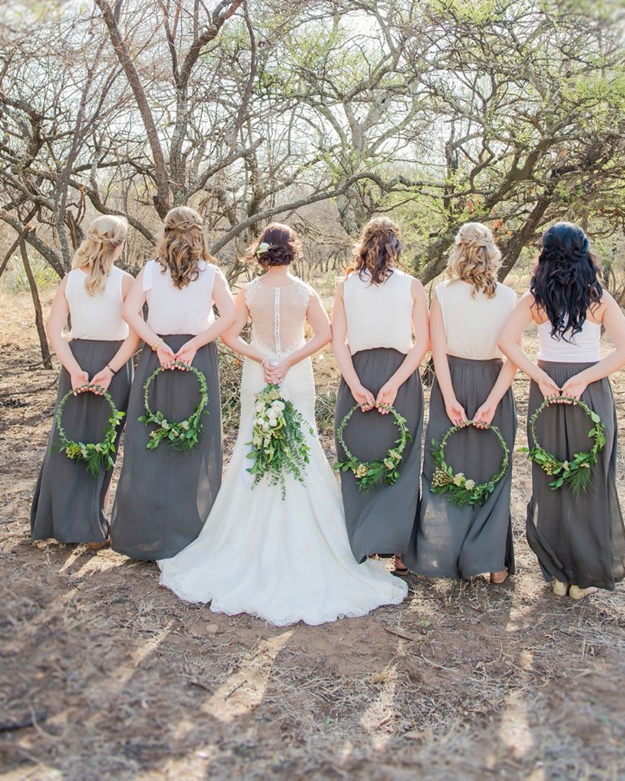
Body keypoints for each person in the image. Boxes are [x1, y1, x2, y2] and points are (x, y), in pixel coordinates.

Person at [159, 222, 407, 625]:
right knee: (302, 444)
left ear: (262, 253)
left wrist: (262, 358)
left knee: (252, 444)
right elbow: (326, 335)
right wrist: (289, 359)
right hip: (293, 374)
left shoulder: (250, 292)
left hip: (261, 373)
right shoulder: (304, 292)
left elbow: (229, 335)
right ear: (293, 252)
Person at [498, 222, 625, 599]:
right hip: (588, 390)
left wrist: (540, 377)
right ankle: (583, 575)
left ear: (545, 253)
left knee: (552, 477)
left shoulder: (534, 296)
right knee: (588, 477)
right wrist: (584, 379)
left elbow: (505, 341)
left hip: (547, 388)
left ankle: (559, 574)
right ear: (583, 251)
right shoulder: (598, 296)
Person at [110, 206, 236, 560]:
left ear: (165, 232)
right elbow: (230, 315)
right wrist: (195, 343)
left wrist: (159, 345)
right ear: (199, 233)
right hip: (197, 359)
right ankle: (189, 535)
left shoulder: (150, 270)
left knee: (151, 440)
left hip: (159, 357)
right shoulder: (211, 273)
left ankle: (146, 534)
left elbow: (129, 312)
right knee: (195, 443)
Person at [405, 222, 518, 583]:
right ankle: (492, 563)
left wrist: (449, 397)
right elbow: (512, 356)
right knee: (492, 470)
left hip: (451, 380)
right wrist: (493, 400)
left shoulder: (442, 292)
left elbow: (436, 349)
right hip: (493, 382)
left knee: (445, 466)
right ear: (492, 252)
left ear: (458, 251)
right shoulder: (510, 297)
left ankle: (445, 556)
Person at [31, 214, 139, 547]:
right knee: (104, 443)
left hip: (75, 360)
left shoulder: (70, 280)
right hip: (114, 365)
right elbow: (136, 334)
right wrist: (109, 371)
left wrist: (74, 369)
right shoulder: (125, 281)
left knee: (68, 441)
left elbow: (54, 330)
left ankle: (60, 522)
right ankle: (92, 528)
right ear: (118, 245)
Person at [331, 217, 429, 573]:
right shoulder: (412, 285)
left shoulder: (345, 286)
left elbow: (337, 340)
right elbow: (424, 343)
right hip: (399, 376)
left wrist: (354, 384)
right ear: (396, 247)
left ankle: (367, 543)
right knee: (402, 461)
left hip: (357, 373)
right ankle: (400, 553)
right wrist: (395, 383)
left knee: (359, 458)